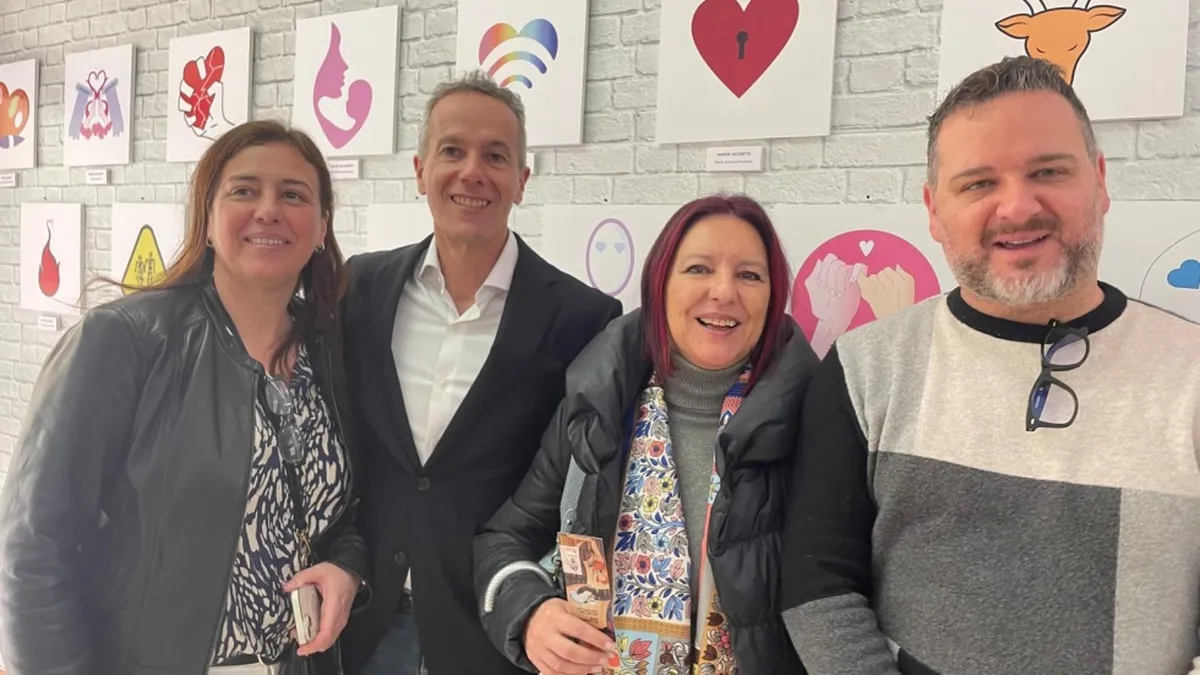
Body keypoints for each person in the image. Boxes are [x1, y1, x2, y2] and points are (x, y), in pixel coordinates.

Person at [779, 55, 1200, 675]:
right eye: (978, 183)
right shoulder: (865, 368)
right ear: (933, 209)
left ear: (1100, 180)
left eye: (1048, 171)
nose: (1017, 207)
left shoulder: (1190, 371)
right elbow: (819, 588)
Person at [0, 120, 369, 675]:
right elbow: (34, 548)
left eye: (293, 195)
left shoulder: (330, 351)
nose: (269, 210)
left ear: (321, 227)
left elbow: (345, 511)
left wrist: (347, 566)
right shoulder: (125, 340)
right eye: (244, 190)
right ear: (208, 219)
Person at [337, 69, 623, 675]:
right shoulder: (359, 287)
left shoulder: (584, 318)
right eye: (452, 151)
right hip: (363, 622)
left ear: (521, 180)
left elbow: (579, 492)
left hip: (493, 633)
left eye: (495, 156)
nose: (472, 172)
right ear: (420, 171)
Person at [474, 193, 818, 675]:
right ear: (660, 285)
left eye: (749, 275)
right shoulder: (598, 408)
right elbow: (504, 539)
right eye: (698, 269)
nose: (723, 291)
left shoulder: (816, 421)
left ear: (773, 296)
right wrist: (529, 613)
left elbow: (846, 592)